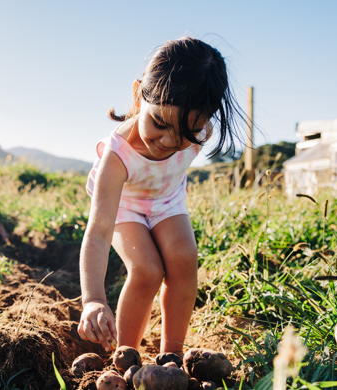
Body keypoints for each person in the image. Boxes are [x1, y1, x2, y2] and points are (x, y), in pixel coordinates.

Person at [78, 37, 242, 354]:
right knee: (147, 270)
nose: (168, 141)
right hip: (124, 204)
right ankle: (125, 356)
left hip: (167, 199)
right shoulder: (118, 156)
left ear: (206, 120)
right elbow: (98, 233)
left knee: (184, 261)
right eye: (159, 123)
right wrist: (94, 299)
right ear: (139, 97)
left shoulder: (201, 130)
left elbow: (175, 156)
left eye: (185, 133)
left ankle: (173, 355)